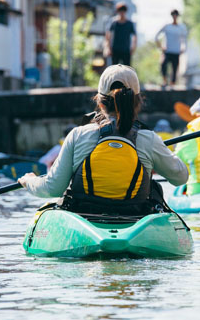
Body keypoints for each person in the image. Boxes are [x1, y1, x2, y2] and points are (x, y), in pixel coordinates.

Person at [17, 65, 188, 215]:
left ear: (100, 103)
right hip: (134, 219)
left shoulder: (78, 135)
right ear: (138, 102)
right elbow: (181, 178)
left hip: (84, 217)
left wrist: (29, 181)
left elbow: (52, 188)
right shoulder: (149, 139)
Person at [155, 9, 188, 86]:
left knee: (175, 68)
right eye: (173, 15)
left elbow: (184, 39)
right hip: (167, 50)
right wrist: (160, 47)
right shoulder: (167, 26)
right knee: (163, 64)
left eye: (176, 15)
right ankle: (165, 80)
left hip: (176, 51)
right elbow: (156, 36)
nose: (174, 17)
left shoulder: (181, 27)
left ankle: (172, 83)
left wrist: (184, 48)